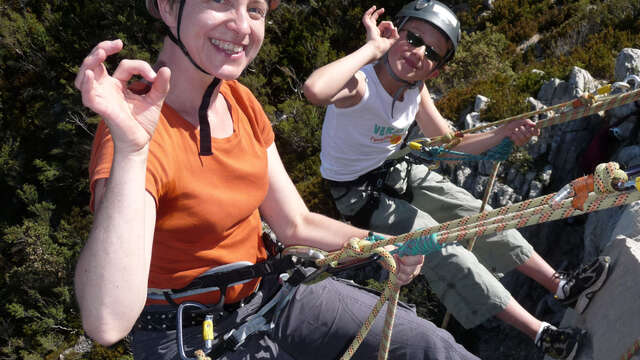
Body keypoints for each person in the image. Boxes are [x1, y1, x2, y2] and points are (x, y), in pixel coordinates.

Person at [72, 0, 482, 359]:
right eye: (219, 0)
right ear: (166, 6)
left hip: (271, 293)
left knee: (433, 347)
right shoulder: (134, 133)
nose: (242, 25)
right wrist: (131, 150)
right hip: (187, 333)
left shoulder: (239, 101)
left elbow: (294, 224)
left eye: (256, 9)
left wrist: (383, 247)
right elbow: (107, 323)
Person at [303, 1, 610, 359]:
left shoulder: (415, 91)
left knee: (480, 217)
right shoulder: (361, 85)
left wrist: (502, 134)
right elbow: (314, 90)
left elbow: (452, 144)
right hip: (359, 194)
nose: (418, 53)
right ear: (395, 34)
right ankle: (543, 334)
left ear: (434, 72)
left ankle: (561, 286)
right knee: (441, 246)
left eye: (432, 53)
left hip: (395, 168)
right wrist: (372, 48)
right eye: (413, 38)